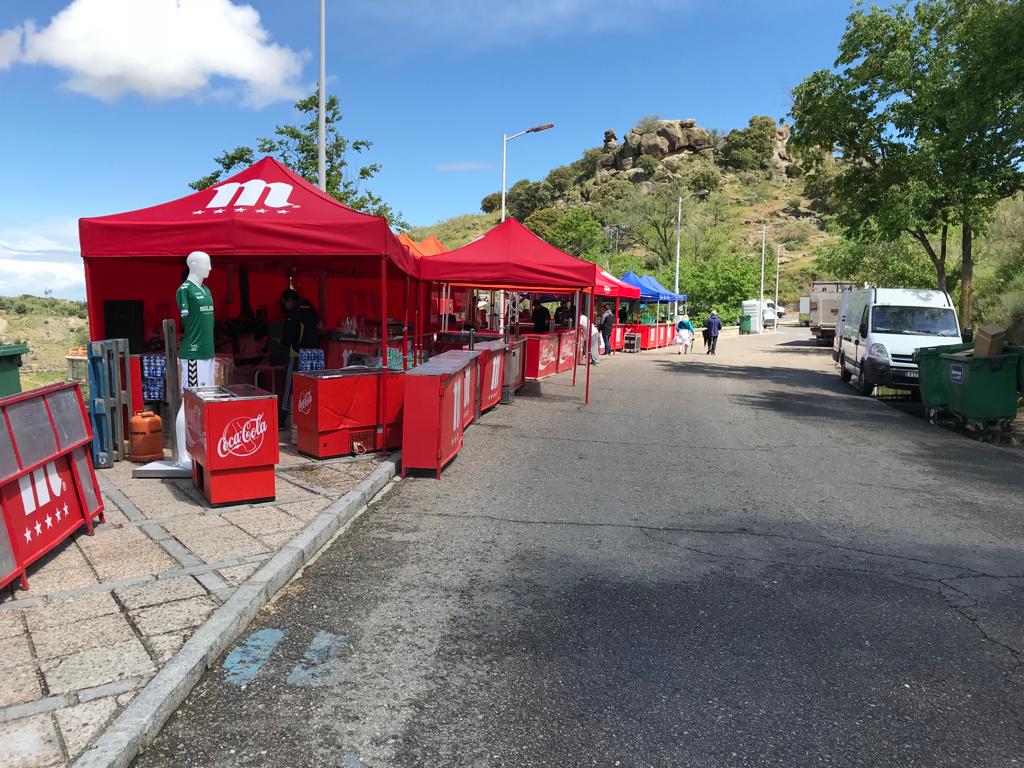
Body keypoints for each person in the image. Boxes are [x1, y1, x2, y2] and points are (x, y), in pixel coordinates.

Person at [280, 289, 320, 419]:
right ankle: (308, 414)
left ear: (290, 300)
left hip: (296, 354)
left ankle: (284, 415)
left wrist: (283, 342)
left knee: (289, 384)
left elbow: (289, 334)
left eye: (285, 303)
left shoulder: (294, 312)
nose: (285, 307)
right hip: (312, 356)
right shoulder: (311, 309)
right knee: (308, 387)